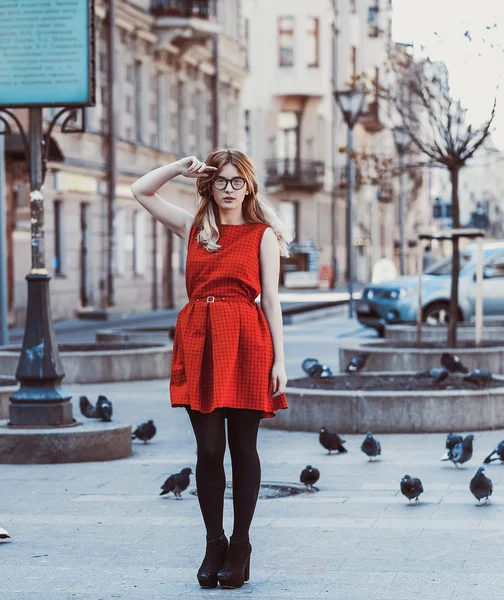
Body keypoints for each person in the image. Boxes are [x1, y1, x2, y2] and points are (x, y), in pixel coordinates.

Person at [131, 149, 291, 589]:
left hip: (246, 340)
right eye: (220, 181)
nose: (228, 190)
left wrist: (280, 359)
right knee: (206, 451)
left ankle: (240, 545)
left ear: (249, 187)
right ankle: (214, 541)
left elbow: (272, 300)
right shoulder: (194, 227)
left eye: (236, 182)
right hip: (199, 339)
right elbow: (140, 189)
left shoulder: (262, 235)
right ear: (209, 184)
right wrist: (180, 168)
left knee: (243, 449)